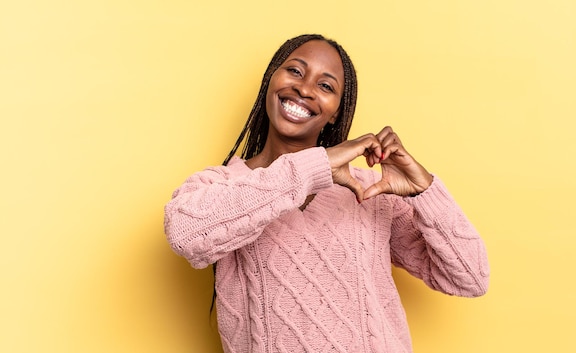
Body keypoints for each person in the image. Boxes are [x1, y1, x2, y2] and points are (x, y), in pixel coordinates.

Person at [164, 34, 489, 353]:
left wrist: (425, 192)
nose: (304, 89)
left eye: (326, 85)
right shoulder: (222, 186)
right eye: (294, 71)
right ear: (270, 80)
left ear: (335, 111)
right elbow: (185, 235)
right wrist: (313, 167)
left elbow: (471, 278)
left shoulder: (370, 191)